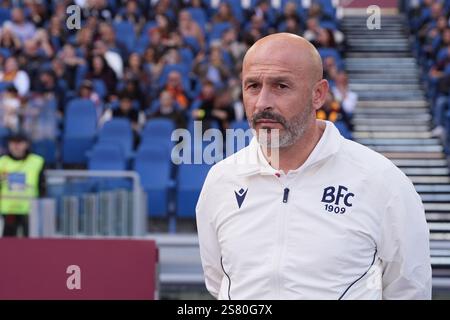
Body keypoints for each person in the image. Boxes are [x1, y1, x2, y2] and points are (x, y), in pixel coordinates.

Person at [196, 33, 431, 300]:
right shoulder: (221, 181)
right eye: (252, 86)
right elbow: (219, 282)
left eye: (281, 86)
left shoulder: (382, 181)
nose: (262, 103)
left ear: (318, 94)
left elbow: (410, 290)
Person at [0, 132, 45, 237]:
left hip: (29, 208)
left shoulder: (37, 161)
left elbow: (42, 185)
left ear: (26, 144)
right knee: (8, 240)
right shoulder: (1, 162)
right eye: (13, 142)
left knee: (29, 240)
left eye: (19, 142)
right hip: (8, 208)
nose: (16, 146)